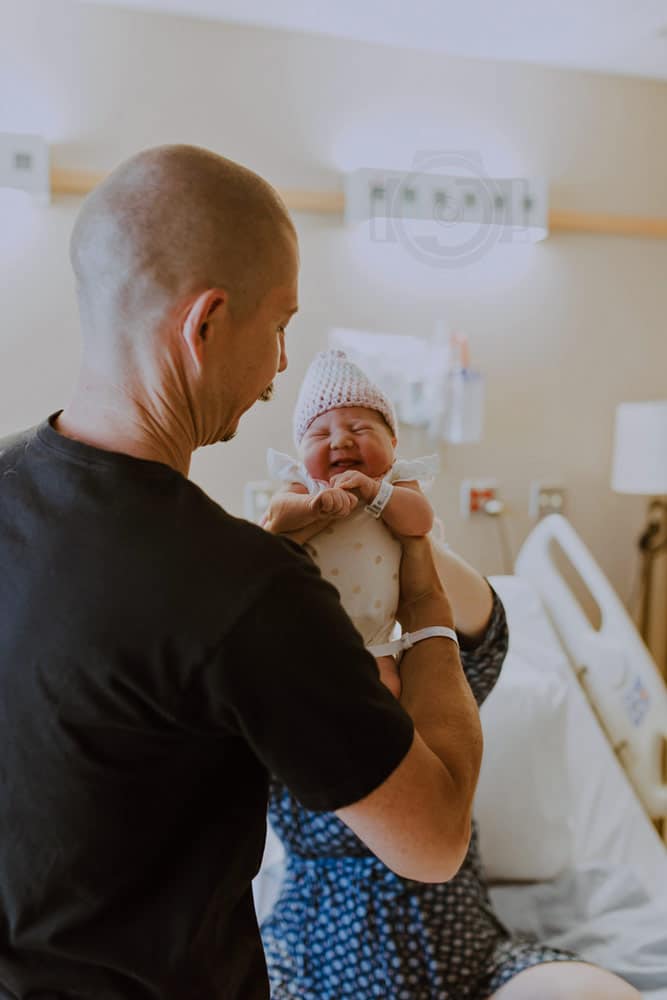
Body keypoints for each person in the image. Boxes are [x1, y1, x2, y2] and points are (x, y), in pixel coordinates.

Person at [0, 145, 483, 1000]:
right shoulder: (245, 589)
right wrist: (421, 579)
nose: (283, 364)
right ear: (207, 323)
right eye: (281, 324)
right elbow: (435, 837)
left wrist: (263, 550)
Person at [261, 539, 641, 995]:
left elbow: (485, 631)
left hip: (470, 963)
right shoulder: (279, 720)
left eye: (380, 643)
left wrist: (407, 533)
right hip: (311, 967)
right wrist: (276, 547)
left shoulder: (436, 712)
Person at [263, 347, 443, 697]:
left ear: (393, 442)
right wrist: (313, 506)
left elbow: (421, 520)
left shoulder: (395, 479)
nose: (341, 440)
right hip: (308, 627)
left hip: (374, 640)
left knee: (385, 691)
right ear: (302, 450)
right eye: (320, 435)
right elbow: (277, 514)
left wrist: (375, 491)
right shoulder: (308, 483)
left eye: (358, 428)